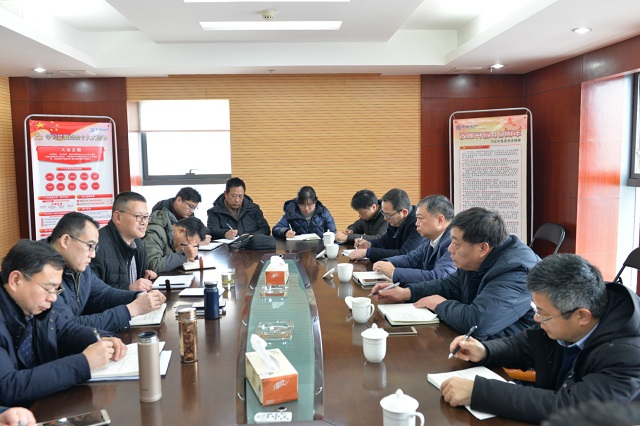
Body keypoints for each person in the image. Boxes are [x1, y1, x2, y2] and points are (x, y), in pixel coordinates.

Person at [442, 254, 640, 424]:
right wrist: (485, 350)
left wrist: (480, 393)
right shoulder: (569, 312)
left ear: (582, 316)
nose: (537, 318)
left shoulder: (628, 356)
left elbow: (574, 407)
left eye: (543, 313)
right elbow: (525, 345)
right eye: (536, 309)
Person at [373, 207, 537, 340]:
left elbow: (477, 323)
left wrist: (439, 304)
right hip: (477, 342)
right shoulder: (478, 258)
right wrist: (406, 292)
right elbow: (449, 285)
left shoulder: (516, 270)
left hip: (510, 354)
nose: (450, 249)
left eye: (456, 244)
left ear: (482, 248)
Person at [0, 240, 126, 407]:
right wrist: (84, 363)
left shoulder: (36, 306)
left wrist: (102, 339)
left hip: (44, 402)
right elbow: (8, 386)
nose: (53, 297)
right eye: (48, 288)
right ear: (16, 280)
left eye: (56, 289)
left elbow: (66, 329)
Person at [48, 212, 166, 334]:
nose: (93, 254)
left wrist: (137, 296)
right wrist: (130, 310)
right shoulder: (43, 271)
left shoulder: (77, 264)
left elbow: (103, 294)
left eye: (95, 248)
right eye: (90, 246)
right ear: (65, 241)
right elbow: (67, 327)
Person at [372, 195, 456, 285]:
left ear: (439, 220)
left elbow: (438, 276)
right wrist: (387, 262)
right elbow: (411, 258)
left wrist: (394, 272)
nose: (416, 223)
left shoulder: (455, 243)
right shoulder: (429, 238)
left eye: (420, 218)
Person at [91, 192, 157, 291]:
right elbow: (92, 292)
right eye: (138, 216)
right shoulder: (96, 247)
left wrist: (146, 278)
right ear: (118, 217)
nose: (143, 222)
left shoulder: (139, 244)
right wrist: (128, 289)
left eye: (146, 217)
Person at [348, 188, 422, 262]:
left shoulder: (418, 224)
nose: (385, 218)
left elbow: (405, 254)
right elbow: (385, 241)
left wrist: (368, 253)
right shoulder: (395, 220)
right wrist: (370, 244)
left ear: (404, 212)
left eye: (388, 215)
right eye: (383, 213)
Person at [144, 214, 208, 273]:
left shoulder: (173, 233)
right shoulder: (155, 233)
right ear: (181, 231)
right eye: (188, 243)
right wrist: (184, 255)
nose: (188, 246)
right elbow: (152, 266)